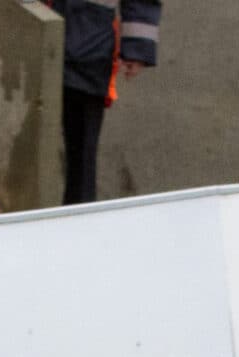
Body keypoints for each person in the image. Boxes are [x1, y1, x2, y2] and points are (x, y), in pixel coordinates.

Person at [46, 0, 163, 205]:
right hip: (40, 33)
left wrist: (137, 49)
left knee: (82, 159)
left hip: (90, 50)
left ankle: (78, 225)